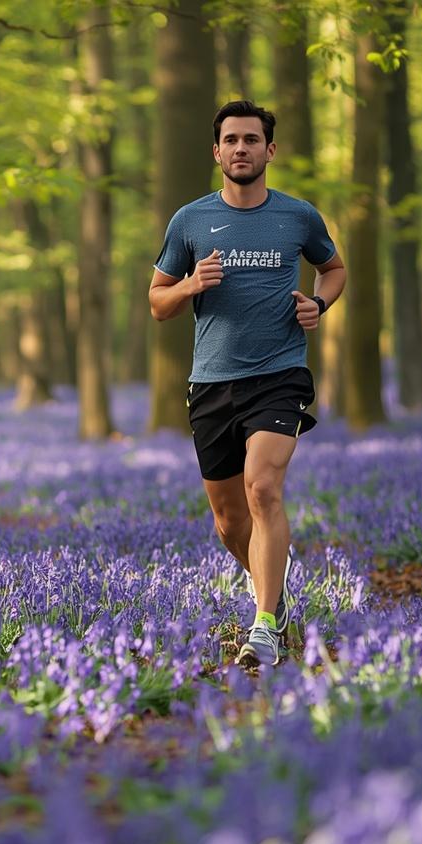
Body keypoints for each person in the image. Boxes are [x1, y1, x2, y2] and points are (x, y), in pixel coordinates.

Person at [149, 99, 347, 669]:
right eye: (231, 140)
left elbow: (333, 269)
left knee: (264, 489)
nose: (241, 148)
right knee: (230, 521)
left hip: (280, 375)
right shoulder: (189, 221)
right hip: (211, 381)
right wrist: (189, 285)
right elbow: (157, 304)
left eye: (251, 140)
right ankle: (277, 603)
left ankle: (262, 626)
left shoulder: (298, 217)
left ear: (270, 150)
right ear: (216, 152)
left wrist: (318, 304)